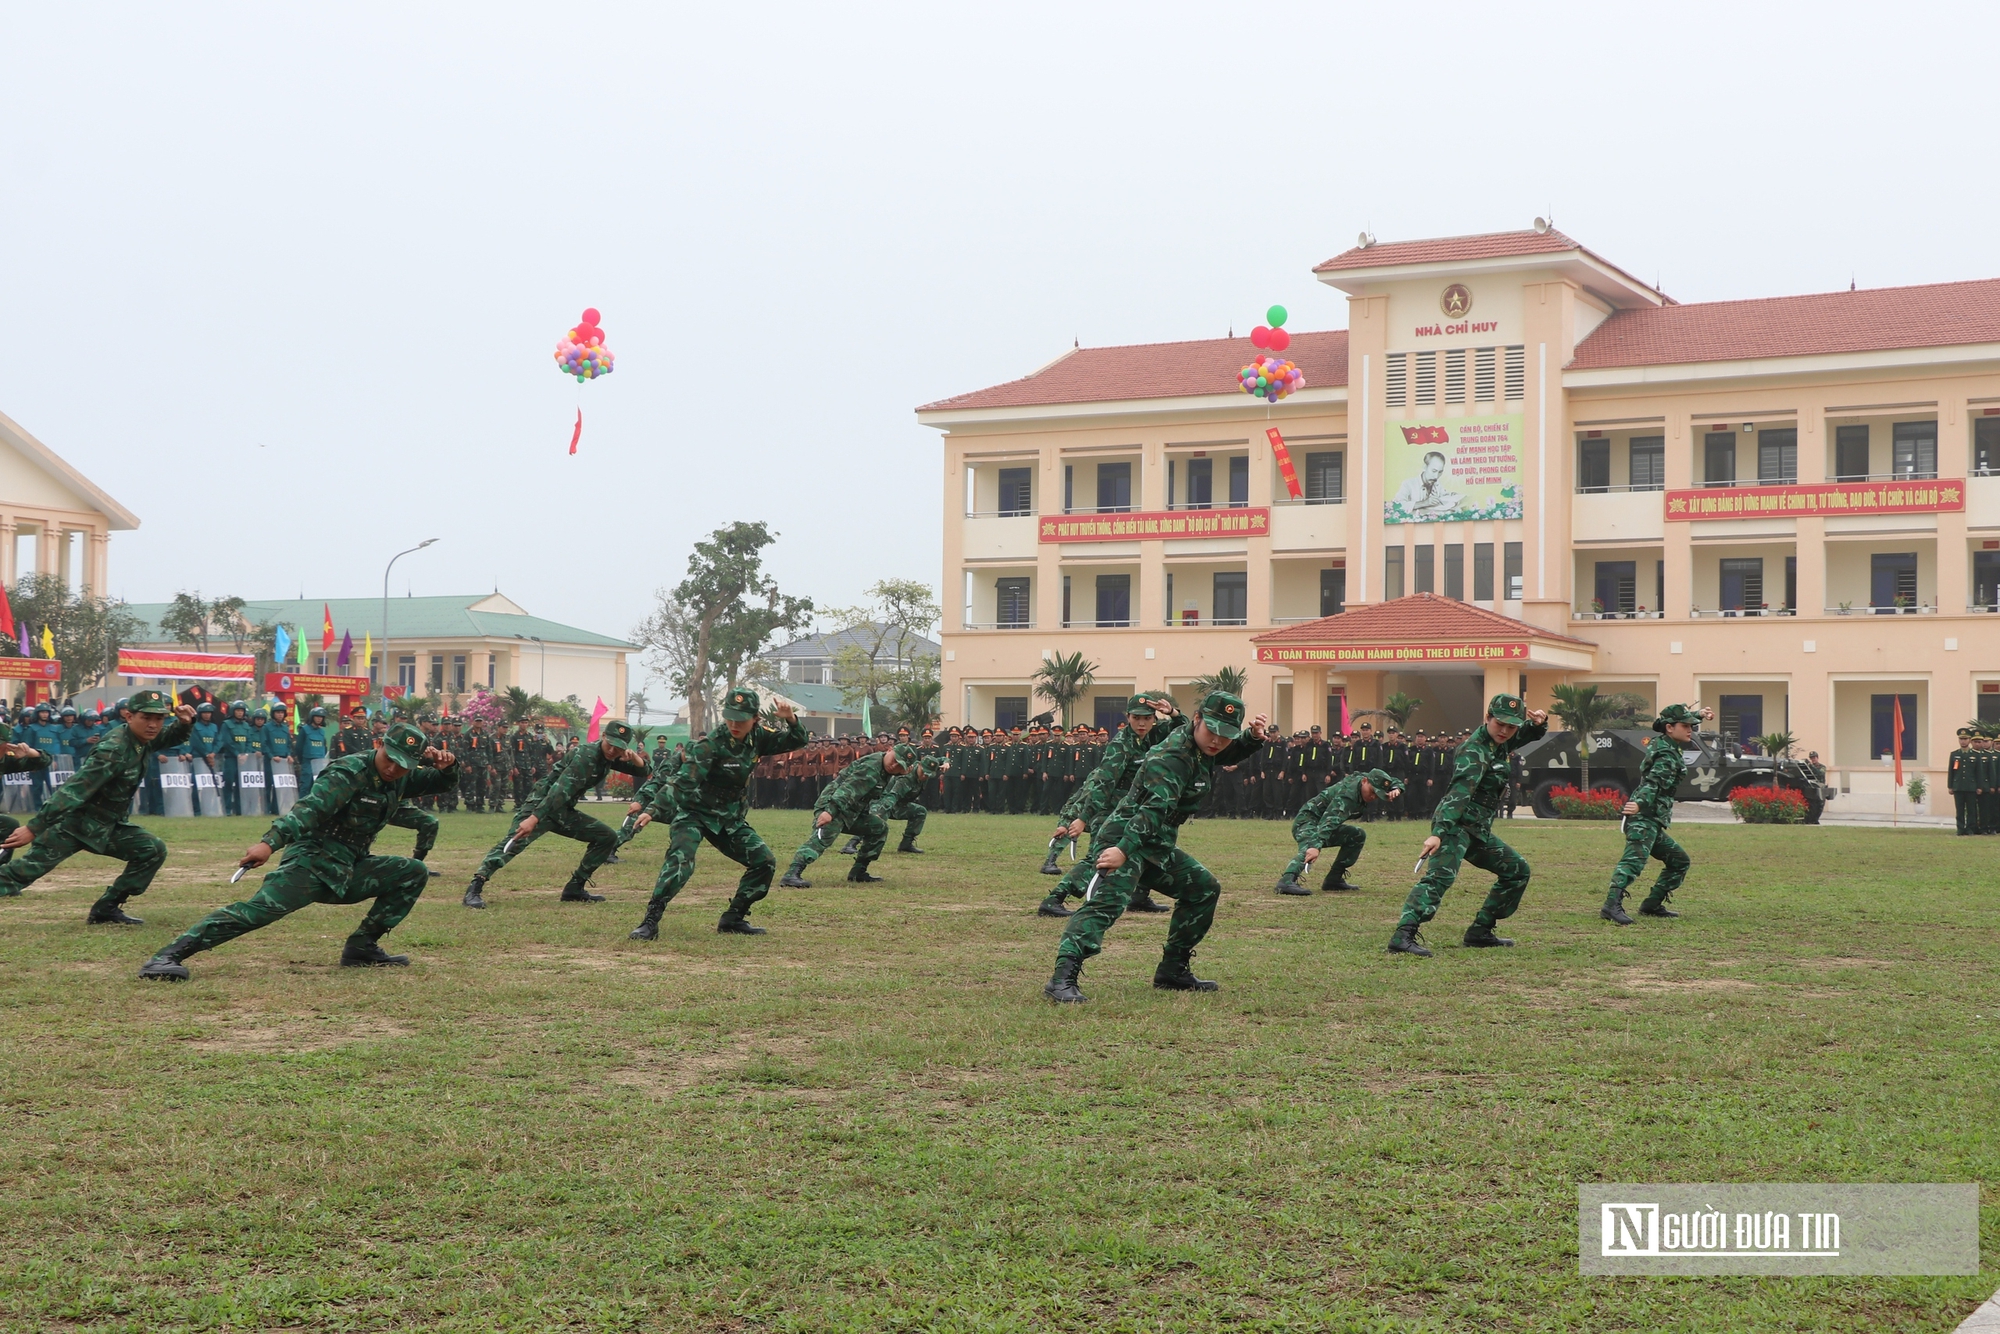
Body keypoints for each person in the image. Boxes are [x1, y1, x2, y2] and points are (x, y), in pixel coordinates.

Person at [138, 722, 460, 981]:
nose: (393, 769)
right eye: (389, 759)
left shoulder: (400, 778)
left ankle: (362, 948)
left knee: (412, 872)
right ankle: (167, 955)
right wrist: (270, 843)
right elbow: (308, 811)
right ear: (379, 745)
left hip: (349, 867)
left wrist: (449, 765)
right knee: (257, 912)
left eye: (403, 766)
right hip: (312, 863)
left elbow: (443, 783)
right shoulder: (348, 773)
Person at [1043, 691, 1268, 1003]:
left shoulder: (1201, 745)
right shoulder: (1173, 757)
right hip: (1128, 835)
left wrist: (1251, 738)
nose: (1217, 740)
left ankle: (1173, 970)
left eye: (1225, 734)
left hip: (1156, 842)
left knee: (1203, 889)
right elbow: (1153, 810)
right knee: (1107, 904)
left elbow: (1223, 753)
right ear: (1198, 720)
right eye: (1212, 731)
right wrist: (1122, 850)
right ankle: (1062, 978)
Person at [0, 690, 195, 925]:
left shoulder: (140, 740)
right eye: (146, 718)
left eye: (159, 719)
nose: (153, 725)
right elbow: (75, 789)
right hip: (75, 824)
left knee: (152, 850)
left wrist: (184, 724)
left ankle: (106, 908)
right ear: (128, 716)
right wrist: (34, 827)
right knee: (20, 874)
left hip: (108, 824)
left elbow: (166, 738)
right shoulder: (114, 750)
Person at [626, 689, 807, 940]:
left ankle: (734, 918)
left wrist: (791, 719)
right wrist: (653, 809)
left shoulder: (759, 737)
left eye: (741, 719)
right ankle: (650, 921)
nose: (734, 724)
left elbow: (797, 741)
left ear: (755, 718)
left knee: (763, 861)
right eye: (730, 718)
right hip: (694, 812)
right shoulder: (710, 745)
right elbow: (683, 781)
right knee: (680, 861)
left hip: (729, 819)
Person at [1389, 693, 1549, 957]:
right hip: (1456, 826)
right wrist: (1439, 833)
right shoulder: (1474, 750)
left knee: (1517, 871)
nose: (1506, 731)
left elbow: (1526, 735)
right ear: (1487, 718)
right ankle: (1402, 935)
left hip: (1479, 830)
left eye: (1511, 726)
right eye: (1500, 724)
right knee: (1439, 878)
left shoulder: (1500, 743)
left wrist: (1539, 724)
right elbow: (1459, 792)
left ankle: (1481, 931)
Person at [463, 718, 649, 909]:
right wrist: (533, 818)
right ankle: (474, 888)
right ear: (603, 737)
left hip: (562, 809)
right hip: (541, 804)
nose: (612, 750)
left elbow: (645, 771)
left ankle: (575, 888)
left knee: (606, 837)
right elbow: (559, 791)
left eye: (618, 748)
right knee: (514, 841)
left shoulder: (610, 756)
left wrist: (633, 757)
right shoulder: (586, 756)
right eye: (610, 744)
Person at [1038, 693, 1180, 918]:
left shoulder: (1155, 733)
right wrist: (1084, 817)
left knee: (1149, 848)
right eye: (1136, 718)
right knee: (1099, 855)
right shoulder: (1121, 745)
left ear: (1155, 718)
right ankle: (1055, 898)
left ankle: (1139, 897)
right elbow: (1103, 783)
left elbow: (1186, 730)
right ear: (1128, 717)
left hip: (1140, 808)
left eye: (1147, 718)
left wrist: (1172, 712)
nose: (1142, 723)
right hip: (1112, 810)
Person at [1603, 703, 1707, 925]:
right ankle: (1611, 906)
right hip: (1644, 818)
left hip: (1653, 818)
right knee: (1633, 862)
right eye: (1686, 725)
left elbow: (1678, 716)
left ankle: (1651, 905)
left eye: (1692, 725)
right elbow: (1654, 783)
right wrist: (1639, 804)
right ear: (1670, 728)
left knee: (1679, 861)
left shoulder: (1665, 742)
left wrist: (1700, 714)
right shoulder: (1666, 754)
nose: (1691, 729)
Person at [780, 741, 916, 888]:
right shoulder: (871, 768)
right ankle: (791, 874)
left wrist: (902, 773)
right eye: (895, 760)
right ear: (890, 750)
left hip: (852, 810)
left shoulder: (886, 769)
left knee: (879, 828)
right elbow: (847, 790)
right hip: (835, 805)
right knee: (822, 838)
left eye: (900, 766)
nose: (894, 766)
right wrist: (829, 811)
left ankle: (858, 872)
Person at [1273, 767, 1400, 895]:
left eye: (1377, 795)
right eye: (1372, 791)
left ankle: (1334, 880)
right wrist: (1316, 846)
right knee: (1311, 844)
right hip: (1307, 821)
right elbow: (1329, 821)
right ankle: (1286, 881)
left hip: (1322, 822)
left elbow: (1391, 781)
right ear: (1365, 781)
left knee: (1357, 835)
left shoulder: (1366, 779)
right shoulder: (1347, 796)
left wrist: (1397, 788)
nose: (1373, 796)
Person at [872, 751, 936, 854]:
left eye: (928, 774)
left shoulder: (922, 770)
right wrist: (881, 811)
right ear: (919, 765)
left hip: (900, 804)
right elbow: (893, 795)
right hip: (884, 802)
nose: (925, 776)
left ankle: (906, 844)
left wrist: (946, 761)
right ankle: (852, 843)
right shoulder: (906, 779)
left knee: (920, 811)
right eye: (923, 772)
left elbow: (939, 760)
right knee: (875, 820)